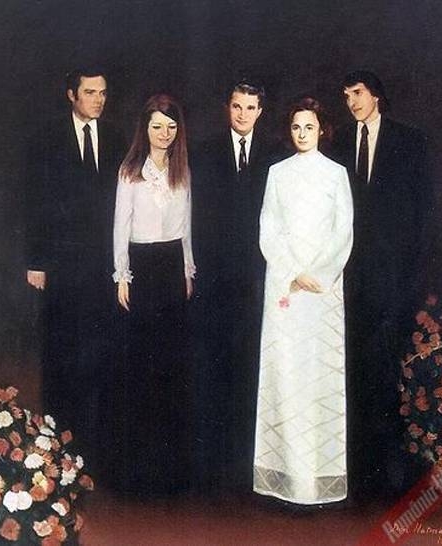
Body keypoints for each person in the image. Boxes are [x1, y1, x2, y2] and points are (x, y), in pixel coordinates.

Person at [332, 70, 430, 497]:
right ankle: (359, 476)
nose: (351, 101)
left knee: (387, 376)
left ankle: (391, 480)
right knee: (354, 376)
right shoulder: (337, 143)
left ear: (376, 95)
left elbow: (422, 215)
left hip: (393, 282)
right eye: (346, 95)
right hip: (349, 284)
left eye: (357, 93)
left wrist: (410, 279)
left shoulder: (409, 141)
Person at [253, 97, 353, 505]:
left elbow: (343, 231)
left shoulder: (336, 174)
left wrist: (319, 274)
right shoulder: (277, 173)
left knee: (318, 380)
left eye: (309, 127)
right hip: (286, 288)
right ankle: (286, 480)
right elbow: (268, 228)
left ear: (321, 129)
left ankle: (316, 482)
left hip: (323, 293)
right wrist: (293, 272)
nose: (302, 134)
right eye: (296, 127)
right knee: (286, 377)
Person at [25, 67, 125, 464]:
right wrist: (36, 261)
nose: (98, 100)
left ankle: (96, 446)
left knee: (99, 353)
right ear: (71, 94)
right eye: (89, 92)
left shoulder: (116, 138)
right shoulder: (46, 139)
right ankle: (57, 443)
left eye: (103, 92)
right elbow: (35, 201)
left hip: (103, 265)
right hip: (62, 264)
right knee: (61, 351)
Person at [191, 80, 279, 493]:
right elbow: (196, 216)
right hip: (213, 278)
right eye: (236, 106)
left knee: (250, 368)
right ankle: (213, 465)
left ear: (261, 111)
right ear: (227, 107)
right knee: (213, 366)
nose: (243, 114)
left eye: (250, 107)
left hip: (258, 279)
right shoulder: (204, 152)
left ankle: (246, 464)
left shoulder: (276, 156)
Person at [112, 94, 195, 496]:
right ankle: (139, 472)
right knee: (142, 367)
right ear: (145, 129)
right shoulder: (130, 172)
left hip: (172, 268)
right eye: (157, 126)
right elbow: (120, 226)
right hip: (142, 269)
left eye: (171, 127)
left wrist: (188, 270)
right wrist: (122, 276)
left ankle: (171, 472)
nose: (164, 134)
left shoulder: (182, 170)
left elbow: (187, 225)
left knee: (172, 368)